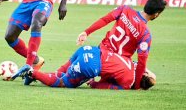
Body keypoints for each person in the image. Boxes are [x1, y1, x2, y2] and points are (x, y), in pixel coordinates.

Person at [14, 0, 166, 90]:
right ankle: (34, 73)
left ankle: (35, 75)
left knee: (63, 73)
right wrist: (138, 85)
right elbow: (142, 62)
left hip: (98, 51)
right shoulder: (145, 34)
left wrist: (86, 32)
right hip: (110, 64)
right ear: (156, 14)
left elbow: (105, 20)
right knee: (65, 81)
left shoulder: (125, 9)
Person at [15, 45, 156, 90]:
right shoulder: (129, 83)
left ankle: (32, 76)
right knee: (63, 83)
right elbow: (105, 86)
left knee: (60, 73)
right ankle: (31, 72)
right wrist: (94, 83)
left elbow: (114, 69)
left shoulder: (133, 64)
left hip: (89, 50)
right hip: (91, 65)